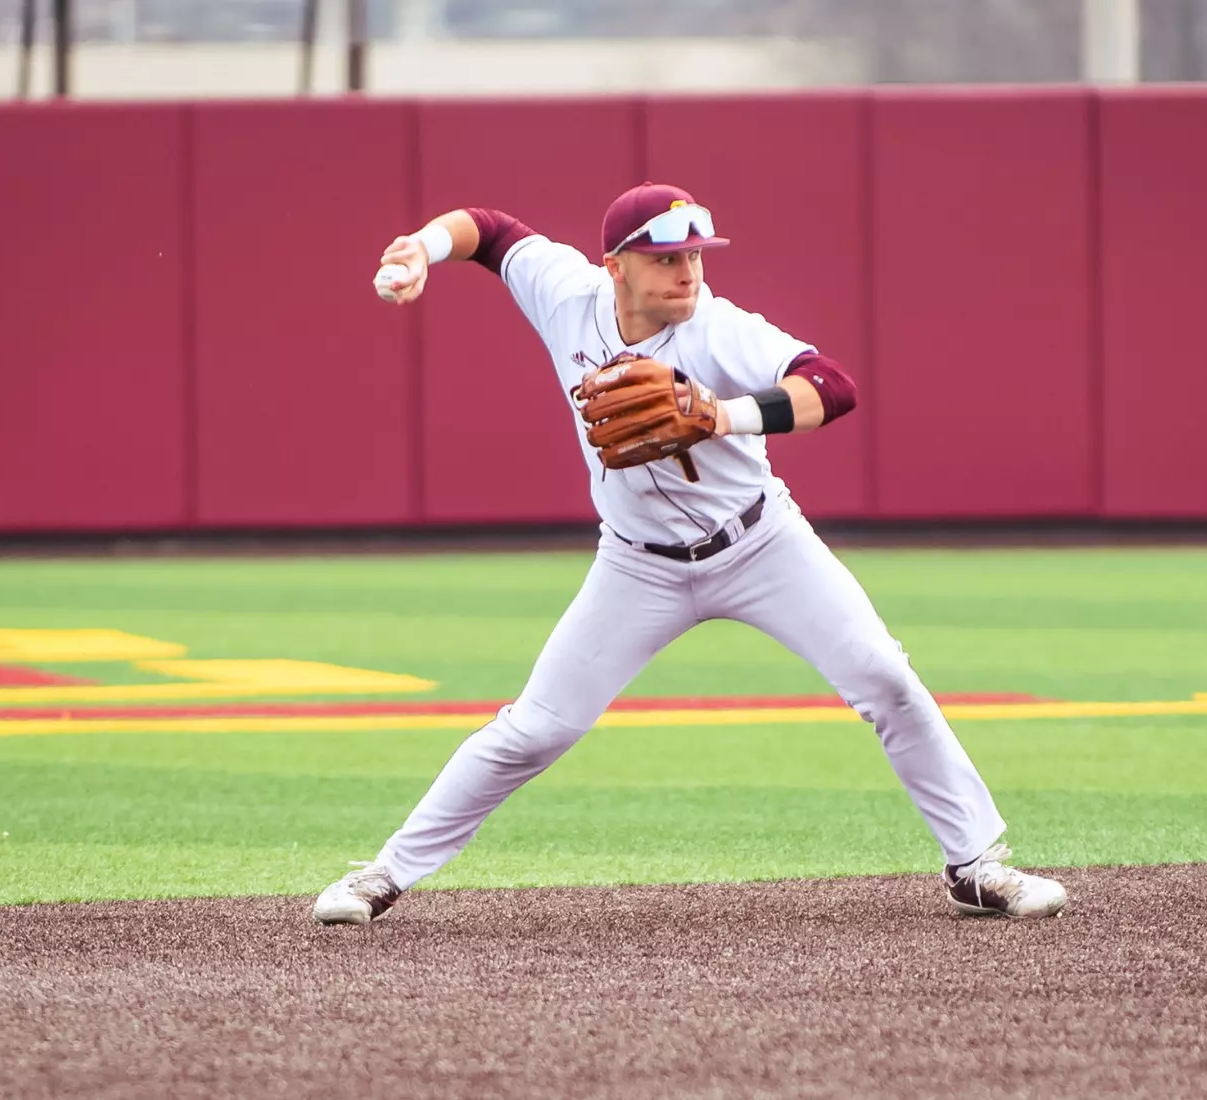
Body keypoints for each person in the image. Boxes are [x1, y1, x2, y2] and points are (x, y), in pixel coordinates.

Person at [313, 183, 1067, 924]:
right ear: (616, 265)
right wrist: (424, 248)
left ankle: (977, 868)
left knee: (886, 680)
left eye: (696, 255)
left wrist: (722, 415)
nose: (688, 272)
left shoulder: (722, 328)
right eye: (667, 257)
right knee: (539, 727)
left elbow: (831, 387)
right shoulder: (567, 292)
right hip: (637, 565)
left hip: (761, 543)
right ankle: (385, 873)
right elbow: (490, 228)